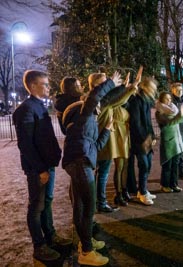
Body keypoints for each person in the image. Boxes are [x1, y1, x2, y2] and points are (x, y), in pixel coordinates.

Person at [62, 71, 121, 266]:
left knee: (81, 206)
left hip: (81, 161)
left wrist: (107, 130)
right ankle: (86, 252)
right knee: (88, 207)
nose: (99, 106)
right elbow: (97, 97)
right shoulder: (83, 113)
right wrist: (111, 82)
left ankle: (85, 242)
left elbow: (94, 146)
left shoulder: (88, 122)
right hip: (80, 163)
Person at [12, 70, 72, 262]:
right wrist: (40, 169)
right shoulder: (27, 109)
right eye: (44, 84)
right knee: (36, 206)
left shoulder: (38, 106)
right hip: (38, 169)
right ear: (32, 86)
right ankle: (39, 246)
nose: (48, 87)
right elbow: (26, 144)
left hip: (46, 165)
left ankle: (51, 236)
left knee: (47, 202)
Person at [97, 71, 140, 207]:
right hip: (115, 137)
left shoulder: (122, 105)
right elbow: (119, 99)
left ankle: (123, 191)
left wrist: (129, 88)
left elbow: (123, 100)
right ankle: (116, 194)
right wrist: (130, 87)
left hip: (124, 136)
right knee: (115, 168)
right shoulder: (110, 104)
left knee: (125, 166)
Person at [126, 77, 158, 205]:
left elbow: (148, 122)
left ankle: (143, 190)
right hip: (139, 141)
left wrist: (153, 137)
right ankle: (142, 193)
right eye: (152, 88)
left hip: (147, 139)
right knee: (144, 165)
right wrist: (144, 138)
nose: (154, 91)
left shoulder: (145, 100)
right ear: (144, 87)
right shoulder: (136, 101)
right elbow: (135, 122)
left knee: (148, 165)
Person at [155, 92, 183, 193]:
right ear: (161, 100)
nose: (169, 101)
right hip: (168, 141)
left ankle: (174, 184)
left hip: (176, 140)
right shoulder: (159, 112)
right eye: (166, 99)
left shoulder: (173, 109)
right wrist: (180, 116)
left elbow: (179, 120)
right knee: (167, 165)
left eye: (169, 98)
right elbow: (169, 123)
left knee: (175, 164)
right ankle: (164, 185)